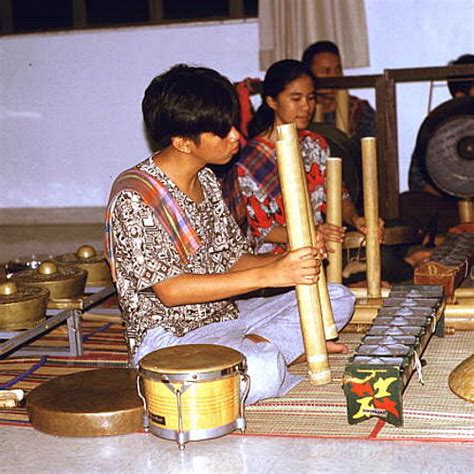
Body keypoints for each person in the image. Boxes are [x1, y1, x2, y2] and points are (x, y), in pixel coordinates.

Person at [104, 64, 356, 405]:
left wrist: (289, 259)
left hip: (225, 315)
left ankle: (256, 346)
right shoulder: (136, 196)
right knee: (264, 371)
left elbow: (233, 258)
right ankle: (266, 352)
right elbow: (172, 291)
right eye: (222, 132)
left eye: (234, 125)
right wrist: (271, 273)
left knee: (337, 296)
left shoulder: (206, 179)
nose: (237, 137)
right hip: (169, 339)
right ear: (182, 141)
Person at [235, 59, 381, 261]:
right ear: (272, 101)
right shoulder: (249, 161)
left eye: (310, 98)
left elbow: (338, 197)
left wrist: (356, 219)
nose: (306, 106)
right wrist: (312, 231)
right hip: (274, 262)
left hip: (317, 252)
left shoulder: (315, 144)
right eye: (296, 99)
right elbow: (262, 229)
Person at [402, 54, 474, 234]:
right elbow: (417, 182)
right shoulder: (439, 125)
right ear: (459, 95)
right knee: (406, 203)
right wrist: (452, 186)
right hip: (448, 206)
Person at [302, 40, 376, 140]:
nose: (335, 76)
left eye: (338, 70)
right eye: (326, 71)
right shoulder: (301, 111)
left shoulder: (360, 111)